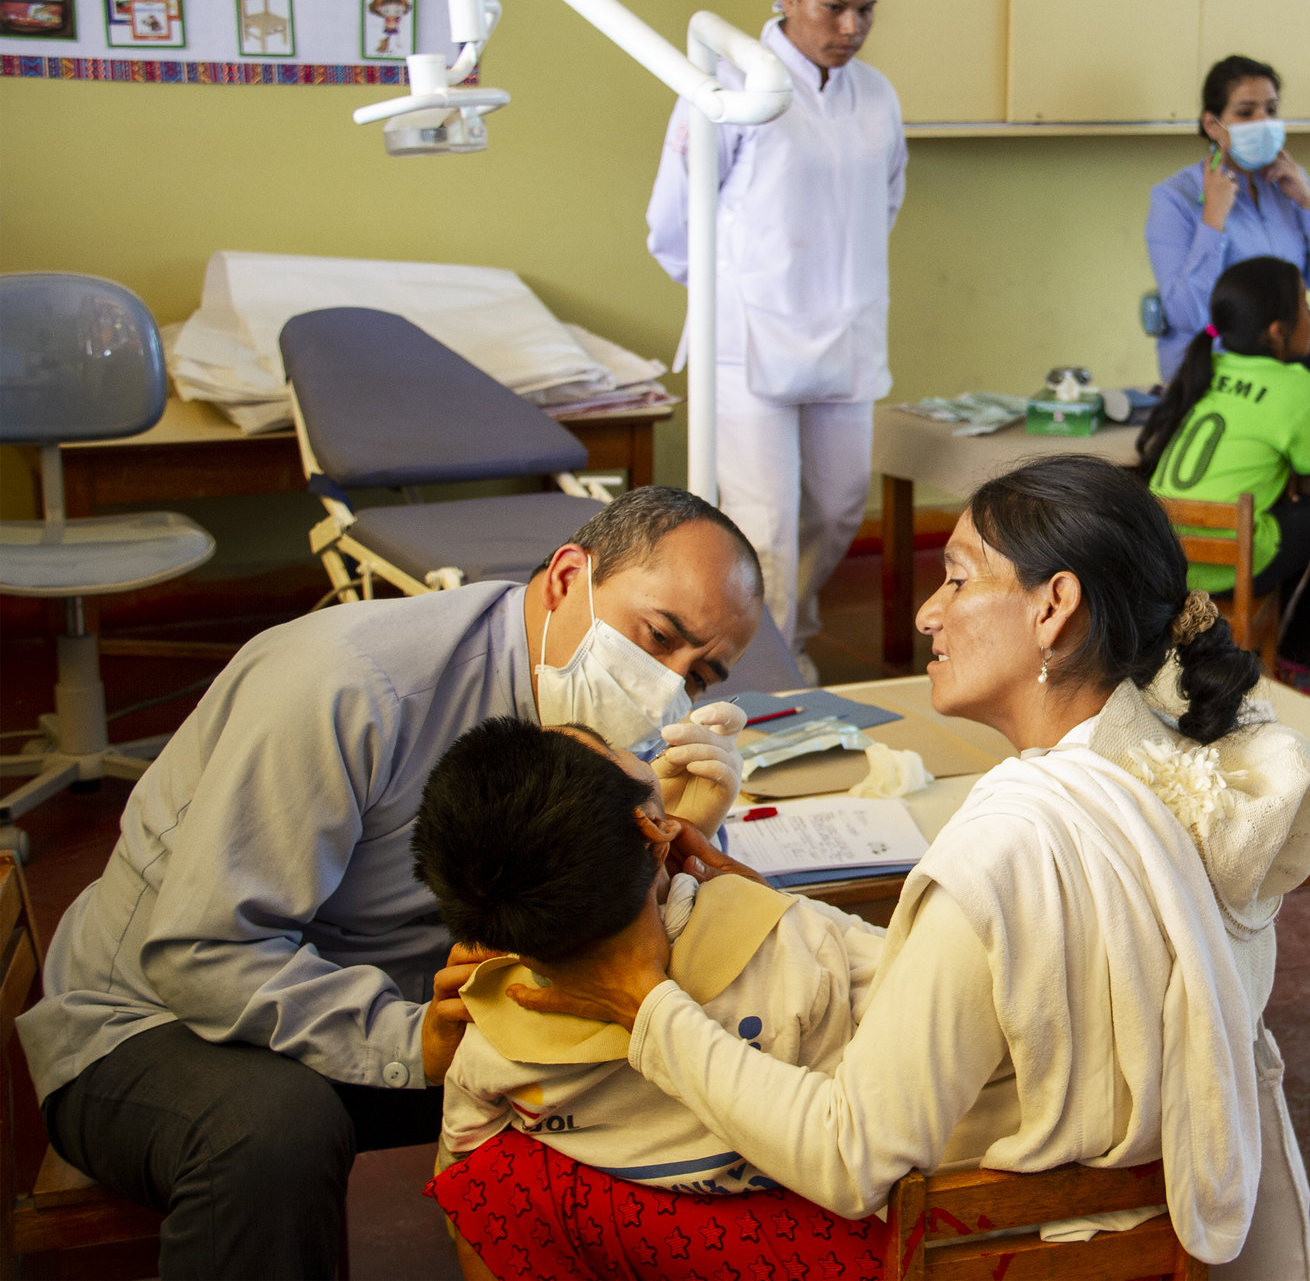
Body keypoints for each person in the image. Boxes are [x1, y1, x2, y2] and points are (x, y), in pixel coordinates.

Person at [453, 455, 1310, 1276]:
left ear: (1053, 607)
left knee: (500, 1175)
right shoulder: (1179, 771)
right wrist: (755, 898)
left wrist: (646, 1005)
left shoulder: (1011, 841)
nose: (926, 613)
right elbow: (992, 977)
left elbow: (850, 1158)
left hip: (993, 1241)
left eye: (958, 578)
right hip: (1135, 1217)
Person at [20, 487, 767, 1279]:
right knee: (272, 1131)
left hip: (396, 995)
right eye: (659, 637)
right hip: (153, 1022)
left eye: (699, 675)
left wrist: (675, 844)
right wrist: (410, 1041)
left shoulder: (602, 721)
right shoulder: (349, 685)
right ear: (565, 578)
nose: (665, 684)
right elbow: (202, 953)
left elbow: (598, 938)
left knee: (686, 1053)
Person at [414, 719, 881, 1280]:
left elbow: (464, 1154)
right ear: (655, 830)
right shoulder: (790, 948)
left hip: (609, 1228)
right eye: (613, 748)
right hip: (793, 1226)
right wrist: (767, 904)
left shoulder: (489, 1022)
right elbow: (840, 1112)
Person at [646, 0, 908, 684]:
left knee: (838, 507)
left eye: (865, 10)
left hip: (845, 332)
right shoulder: (730, 83)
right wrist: (737, 292)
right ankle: (768, 669)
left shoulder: (876, 95)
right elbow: (674, 220)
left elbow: (885, 200)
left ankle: (790, 630)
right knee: (762, 528)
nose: (851, 27)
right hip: (749, 341)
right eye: (834, 8)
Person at [1141, 255, 1310, 681]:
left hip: (1166, 560)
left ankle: (1305, 651)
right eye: (1306, 306)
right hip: (1225, 566)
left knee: (1282, 515)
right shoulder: (1298, 385)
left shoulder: (1205, 369)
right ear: (1278, 331)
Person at [1147, 54, 1310, 402]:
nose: (1263, 121)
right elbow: (1188, 315)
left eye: (1271, 110)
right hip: (1217, 359)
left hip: (1289, 349)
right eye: (1246, 113)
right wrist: (1213, 220)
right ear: (1213, 125)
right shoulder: (1175, 199)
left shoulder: (1286, 186)